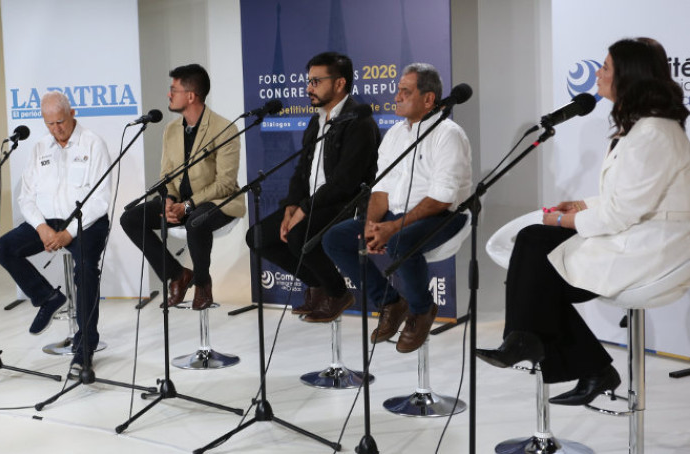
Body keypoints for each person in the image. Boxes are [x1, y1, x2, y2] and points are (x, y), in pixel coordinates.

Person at [477, 37, 690, 406]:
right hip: (638, 230)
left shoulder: (654, 131)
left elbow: (624, 211)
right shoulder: (642, 127)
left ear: (630, 76)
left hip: (654, 247)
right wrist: (580, 205)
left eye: (606, 67)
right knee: (535, 250)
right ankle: (543, 347)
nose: (597, 73)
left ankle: (539, 344)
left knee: (537, 256)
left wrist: (564, 219)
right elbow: (627, 197)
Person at [322, 63, 472, 353]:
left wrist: (391, 228)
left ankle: (421, 310)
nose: (397, 97)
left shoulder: (447, 134)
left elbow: (440, 198)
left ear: (429, 99)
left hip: (444, 216)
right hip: (397, 214)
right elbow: (381, 188)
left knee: (400, 242)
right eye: (398, 90)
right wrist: (371, 224)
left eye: (406, 91)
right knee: (335, 238)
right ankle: (390, 302)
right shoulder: (395, 134)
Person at [246, 51, 380, 323]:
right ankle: (317, 284)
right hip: (311, 203)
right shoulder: (316, 120)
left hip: (346, 204)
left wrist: (304, 210)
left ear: (339, 83)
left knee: (298, 235)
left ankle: (338, 292)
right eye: (309, 82)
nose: (308, 88)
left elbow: (345, 183)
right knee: (257, 237)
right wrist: (291, 206)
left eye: (316, 82)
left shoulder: (359, 122)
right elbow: (301, 171)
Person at [0, 91, 111, 375]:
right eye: (49, 124)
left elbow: (100, 199)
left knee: (85, 269)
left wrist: (68, 233)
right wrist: (41, 227)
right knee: (3, 248)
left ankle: (85, 349)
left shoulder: (93, 144)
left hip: (85, 222)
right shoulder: (40, 147)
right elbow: (26, 197)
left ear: (72, 114)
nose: (56, 129)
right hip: (46, 221)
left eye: (60, 121)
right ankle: (47, 297)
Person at [120, 64, 243, 311]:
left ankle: (203, 284)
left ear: (190, 95)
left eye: (173, 89)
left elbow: (225, 184)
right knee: (130, 219)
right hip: (180, 202)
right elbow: (167, 174)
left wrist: (187, 205)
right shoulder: (171, 130)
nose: (168, 94)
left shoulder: (224, 128)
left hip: (218, 203)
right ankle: (177, 274)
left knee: (195, 220)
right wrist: (169, 200)